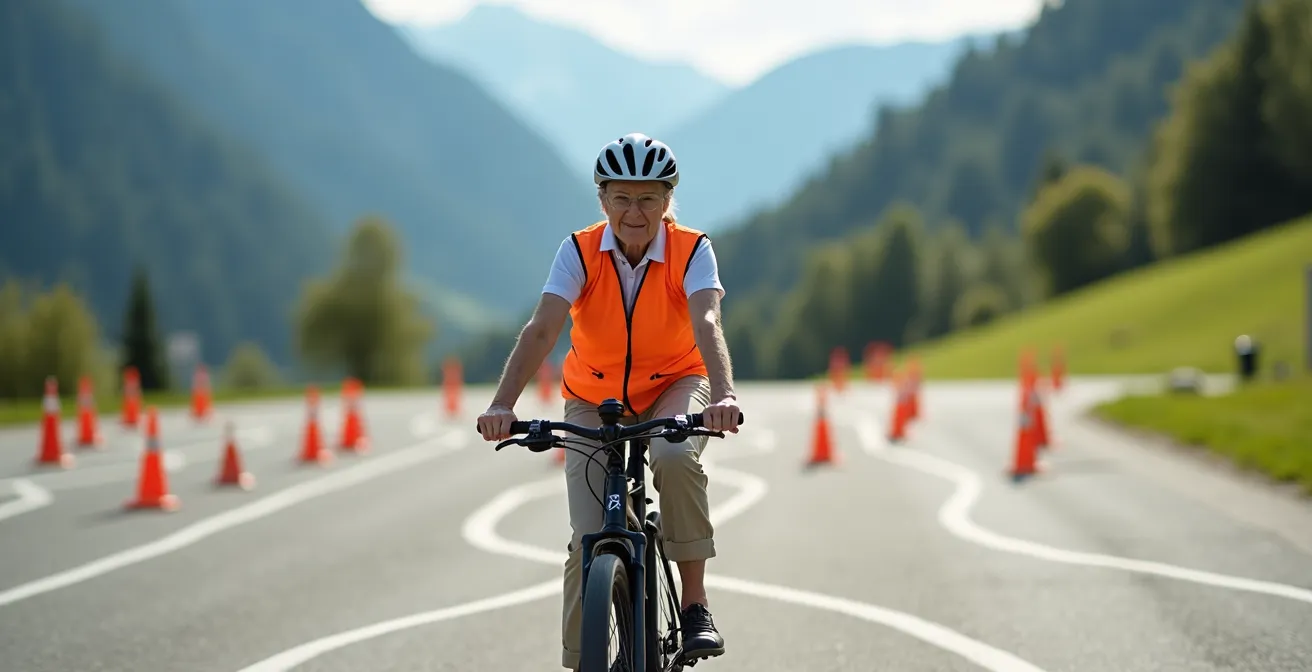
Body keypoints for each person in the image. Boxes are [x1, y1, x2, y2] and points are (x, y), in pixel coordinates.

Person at [476, 132, 742, 669]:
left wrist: (725, 393)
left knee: (672, 456)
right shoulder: (578, 251)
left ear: (667, 202)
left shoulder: (693, 250)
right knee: (587, 539)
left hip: (676, 383)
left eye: (647, 198)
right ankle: (584, 661)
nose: (634, 212)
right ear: (603, 202)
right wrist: (503, 405)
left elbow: (707, 319)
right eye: (621, 198)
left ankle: (694, 604)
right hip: (594, 399)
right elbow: (543, 327)